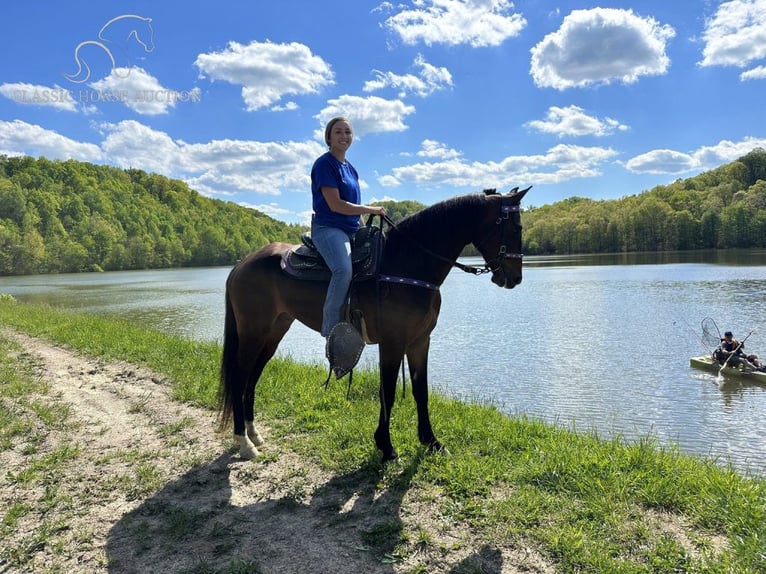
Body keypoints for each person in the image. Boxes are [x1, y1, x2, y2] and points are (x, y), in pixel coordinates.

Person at [310, 117, 386, 337]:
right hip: (328, 228)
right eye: (338, 132)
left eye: (347, 132)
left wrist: (363, 228)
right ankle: (330, 328)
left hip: (351, 228)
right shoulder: (324, 164)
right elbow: (336, 205)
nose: (344, 136)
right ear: (329, 137)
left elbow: (354, 210)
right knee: (343, 270)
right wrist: (371, 210)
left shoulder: (351, 169)